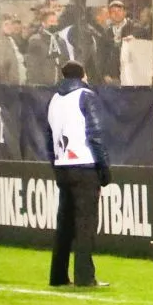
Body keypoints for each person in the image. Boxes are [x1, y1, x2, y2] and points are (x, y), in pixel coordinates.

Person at [47, 62, 110, 288]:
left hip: (63, 165)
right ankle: (85, 277)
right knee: (85, 224)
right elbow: (95, 134)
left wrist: (56, 167)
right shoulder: (86, 96)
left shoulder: (54, 99)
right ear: (83, 75)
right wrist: (104, 169)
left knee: (64, 224)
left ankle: (58, 276)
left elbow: (48, 139)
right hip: (84, 165)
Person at [0, 14, 27, 85]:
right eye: (6, 24)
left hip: (14, 87)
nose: (9, 27)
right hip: (5, 89)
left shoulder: (10, 41)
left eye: (11, 24)